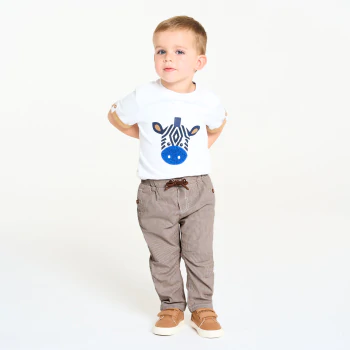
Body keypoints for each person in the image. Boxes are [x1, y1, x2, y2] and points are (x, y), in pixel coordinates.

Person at [107, 15, 227, 338]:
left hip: (198, 190)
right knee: (163, 254)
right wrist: (143, 135)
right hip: (155, 193)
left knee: (200, 252)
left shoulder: (207, 101)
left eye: (179, 52)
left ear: (199, 61)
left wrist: (201, 148)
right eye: (160, 51)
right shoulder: (144, 95)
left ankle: (203, 307)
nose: (168, 58)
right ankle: (171, 305)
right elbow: (114, 116)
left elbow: (217, 125)